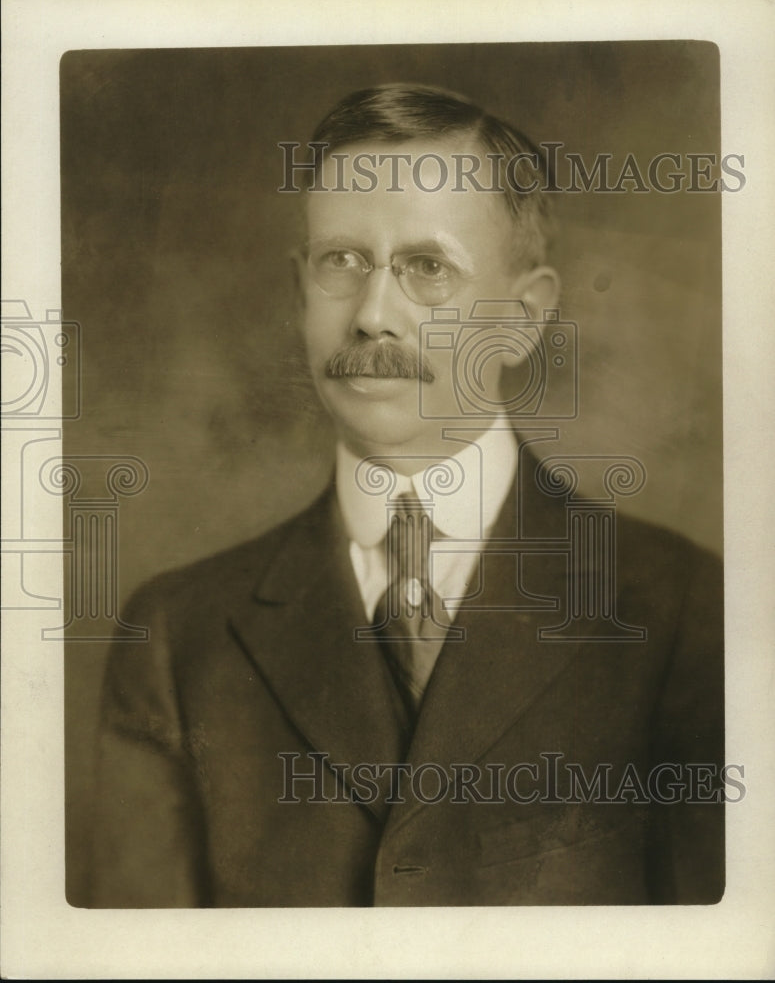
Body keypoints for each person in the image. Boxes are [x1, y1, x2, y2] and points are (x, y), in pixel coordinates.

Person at [89, 83, 724, 907]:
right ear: (300, 292)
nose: (371, 315)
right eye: (340, 262)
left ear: (523, 318)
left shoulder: (683, 611)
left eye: (427, 268)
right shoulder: (177, 636)